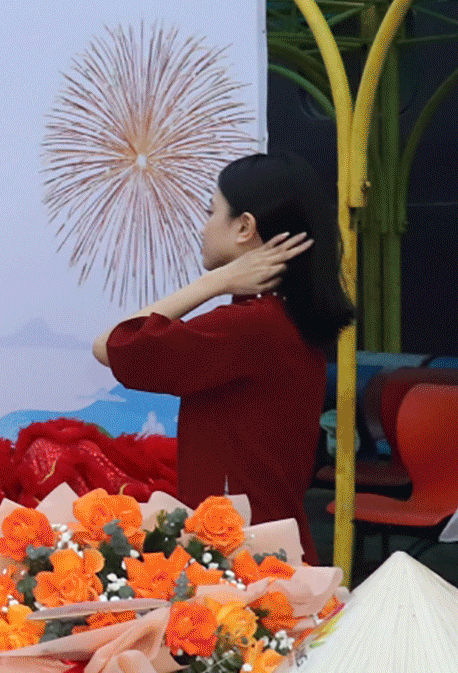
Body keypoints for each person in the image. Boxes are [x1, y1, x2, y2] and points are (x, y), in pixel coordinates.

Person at [94, 152, 353, 537]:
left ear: (244, 227)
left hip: (239, 553)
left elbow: (113, 345)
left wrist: (210, 283)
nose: (203, 228)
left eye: (211, 212)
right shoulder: (282, 318)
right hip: (266, 541)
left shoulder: (249, 326)